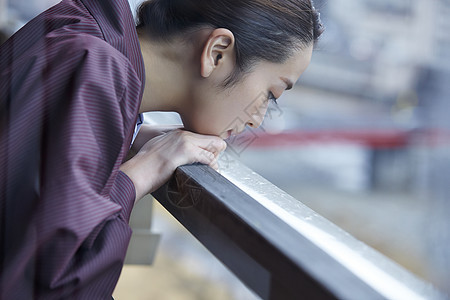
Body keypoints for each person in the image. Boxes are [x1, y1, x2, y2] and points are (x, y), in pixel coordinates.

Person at [0, 0, 323, 298]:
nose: (258, 119)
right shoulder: (93, 65)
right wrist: (146, 168)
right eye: (271, 94)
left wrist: (126, 139)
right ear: (217, 52)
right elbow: (50, 279)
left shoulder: (84, 32)